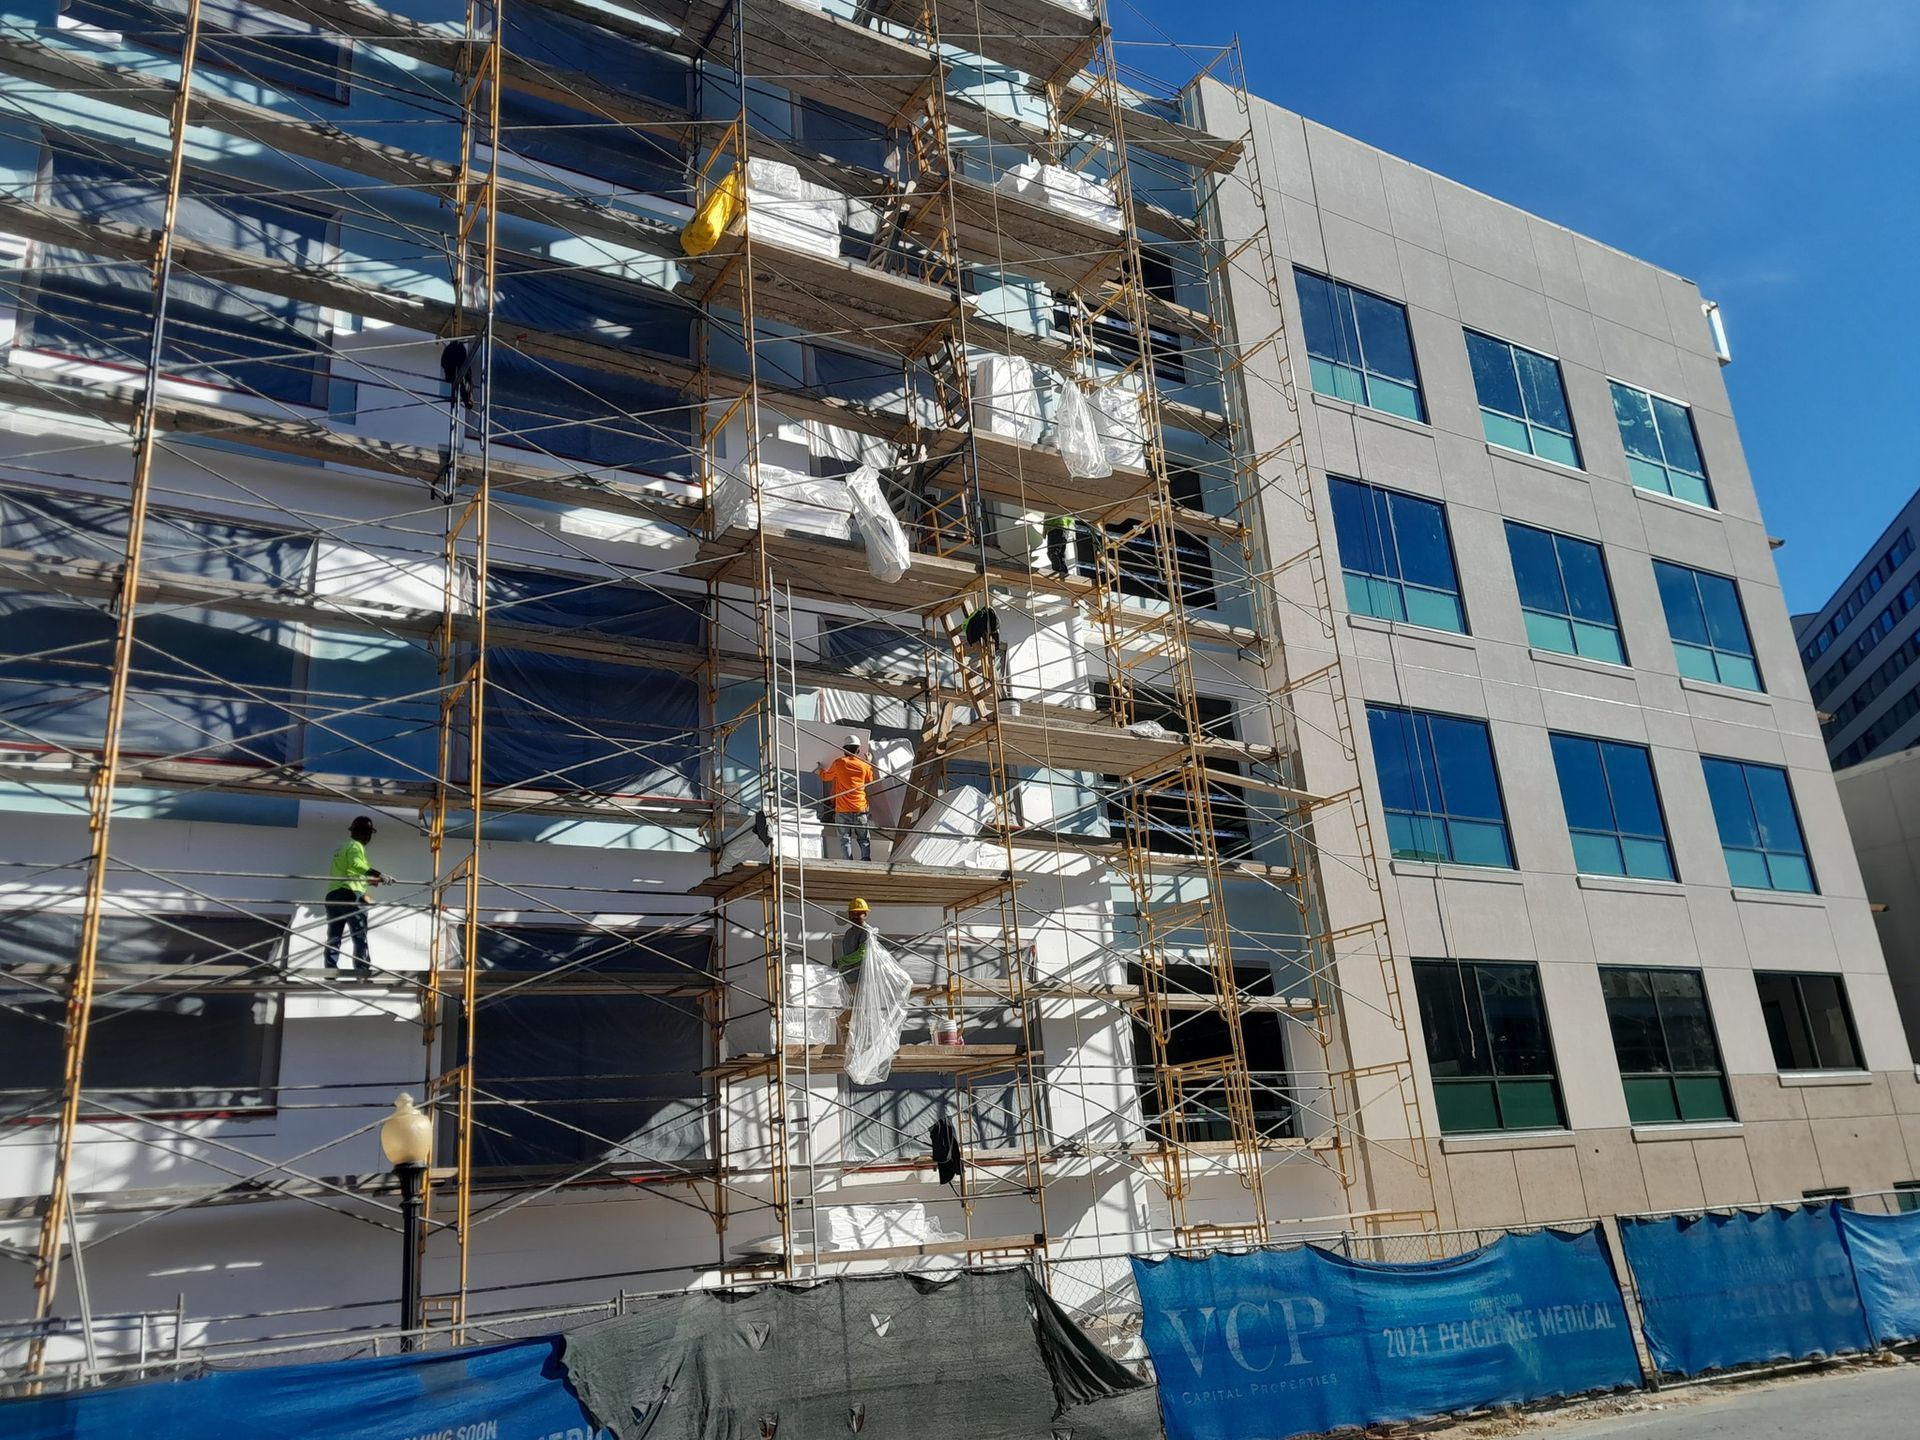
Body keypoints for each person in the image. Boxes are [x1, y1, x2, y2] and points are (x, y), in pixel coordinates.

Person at [323, 815, 383, 973]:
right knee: (359, 934)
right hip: (350, 896)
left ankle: (330, 969)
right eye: (368, 834)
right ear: (366, 834)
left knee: (334, 936)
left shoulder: (342, 848)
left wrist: (368, 881)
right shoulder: (356, 846)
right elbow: (356, 864)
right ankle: (362, 968)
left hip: (333, 896)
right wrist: (378, 874)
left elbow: (349, 872)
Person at [815, 736, 875, 861]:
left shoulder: (839, 763)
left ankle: (848, 862)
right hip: (860, 809)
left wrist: (819, 771)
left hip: (842, 810)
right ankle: (866, 860)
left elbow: (826, 777)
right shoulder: (863, 765)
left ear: (844, 750)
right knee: (863, 838)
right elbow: (870, 780)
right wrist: (869, 762)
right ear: (858, 750)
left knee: (844, 839)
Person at [1045, 514, 1076, 580]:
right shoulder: (1067, 512)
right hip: (1064, 531)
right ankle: (1064, 572)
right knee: (1060, 554)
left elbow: (1047, 517)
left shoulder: (1054, 510)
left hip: (1054, 528)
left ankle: (1058, 571)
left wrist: (1044, 533)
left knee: (1052, 552)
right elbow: (1071, 521)